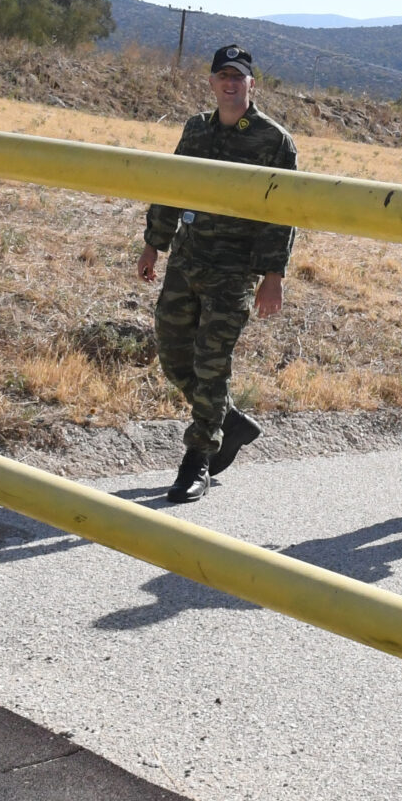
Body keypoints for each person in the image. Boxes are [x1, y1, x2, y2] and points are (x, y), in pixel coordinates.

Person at [137, 46, 295, 501]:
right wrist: (154, 243)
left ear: (251, 85)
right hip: (186, 259)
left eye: (239, 77)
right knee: (172, 353)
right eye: (223, 75)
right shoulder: (195, 130)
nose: (230, 83)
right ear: (211, 82)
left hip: (234, 270)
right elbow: (171, 185)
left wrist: (273, 276)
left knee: (211, 363)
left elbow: (282, 213)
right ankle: (227, 419)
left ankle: (197, 460)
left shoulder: (274, 141)